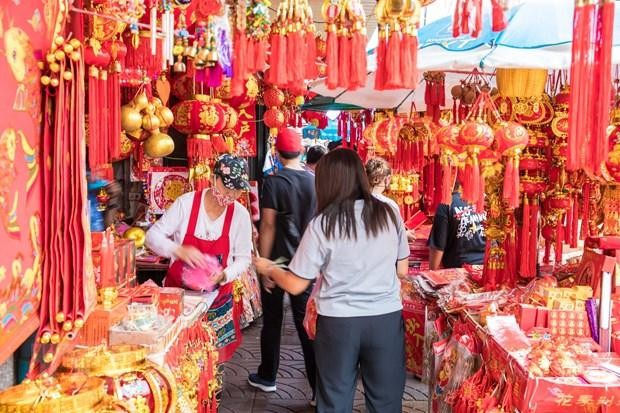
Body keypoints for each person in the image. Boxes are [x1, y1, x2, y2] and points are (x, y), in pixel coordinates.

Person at [254, 148, 409, 413]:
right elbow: (402, 269)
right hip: (385, 318)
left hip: (338, 324)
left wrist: (268, 267)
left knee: (335, 401)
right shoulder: (389, 213)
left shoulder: (323, 223)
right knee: (386, 402)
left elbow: (294, 284)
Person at [146, 154, 253, 362]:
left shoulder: (240, 215)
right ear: (214, 179)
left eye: (237, 190)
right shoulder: (186, 204)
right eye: (226, 187)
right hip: (179, 299)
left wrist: (224, 274)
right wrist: (177, 250)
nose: (231, 194)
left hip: (217, 300)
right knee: (179, 360)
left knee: (213, 364)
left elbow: (243, 258)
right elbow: (152, 237)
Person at [249, 128, 317, 403]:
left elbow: (267, 225)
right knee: (306, 325)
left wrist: (264, 264)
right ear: (301, 152)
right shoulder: (314, 181)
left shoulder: (274, 182)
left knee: (273, 321)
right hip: (306, 261)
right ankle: (318, 387)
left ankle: (268, 376)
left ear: (276, 153)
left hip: (277, 260)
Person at [427, 180, 486, 270]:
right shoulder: (487, 201)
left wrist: (432, 272)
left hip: (458, 271)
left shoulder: (447, 203)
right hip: (486, 270)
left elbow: (438, 246)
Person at [365, 157, 416, 241]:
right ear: (387, 179)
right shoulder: (389, 205)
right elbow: (396, 233)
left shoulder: (353, 202)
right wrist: (404, 235)